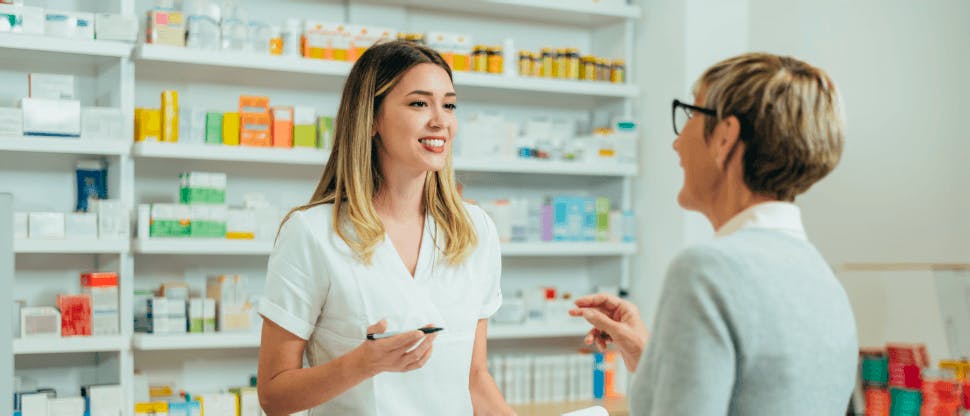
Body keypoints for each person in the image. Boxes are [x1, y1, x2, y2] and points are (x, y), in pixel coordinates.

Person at [569, 53, 858, 415]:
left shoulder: (708, 270)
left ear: (725, 137)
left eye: (691, 113)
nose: (677, 143)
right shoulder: (823, 279)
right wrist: (652, 358)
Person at [256, 40, 514, 416]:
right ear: (372, 118)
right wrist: (364, 363)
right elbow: (274, 396)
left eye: (449, 104)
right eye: (419, 103)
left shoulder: (475, 231)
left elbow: (475, 380)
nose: (440, 120)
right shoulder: (313, 233)